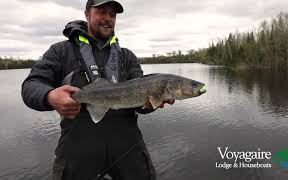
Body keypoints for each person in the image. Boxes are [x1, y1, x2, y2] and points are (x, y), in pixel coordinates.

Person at [21, 0, 174, 179]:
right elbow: (31, 85)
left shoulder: (127, 56)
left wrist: (149, 105)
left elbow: (140, 105)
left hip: (127, 143)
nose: (108, 18)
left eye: (112, 14)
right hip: (78, 145)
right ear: (87, 14)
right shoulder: (60, 51)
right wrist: (49, 96)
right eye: (102, 12)